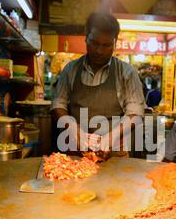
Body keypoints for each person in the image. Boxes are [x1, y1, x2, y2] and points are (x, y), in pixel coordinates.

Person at [51, 12, 145, 153]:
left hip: (114, 151)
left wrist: (111, 137)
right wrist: (70, 124)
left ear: (115, 41)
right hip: (76, 149)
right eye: (94, 43)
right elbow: (58, 104)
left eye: (106, 45)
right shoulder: (71, 69)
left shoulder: (126, 73)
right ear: (86, 37)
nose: (99, 51)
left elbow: (136, 112)